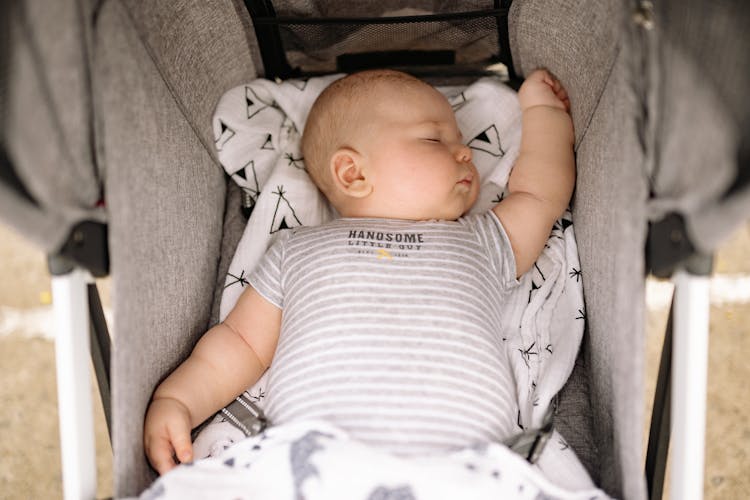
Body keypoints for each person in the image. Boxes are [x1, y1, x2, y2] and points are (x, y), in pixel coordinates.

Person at [143, 68, 575, 475]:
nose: (465, 152)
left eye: (461, 140)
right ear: (352, 172)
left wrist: (543, 116)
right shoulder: (296, 250)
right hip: (315, 467)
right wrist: (178, 400)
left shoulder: (481, 240)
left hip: (461, 468)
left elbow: (538, 195)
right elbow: (240, 344)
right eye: (433, 139)